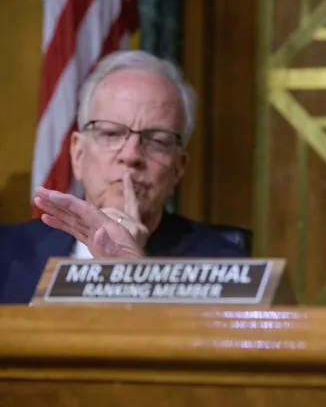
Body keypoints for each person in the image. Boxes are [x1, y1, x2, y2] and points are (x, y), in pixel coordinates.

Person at [0, 50, 246, 304]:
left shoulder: (224, 265)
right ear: (78, 154)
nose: (131, 155)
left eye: (157, 141)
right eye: (111, 134)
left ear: (179, 168)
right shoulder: (5, 254)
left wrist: (134, 275)